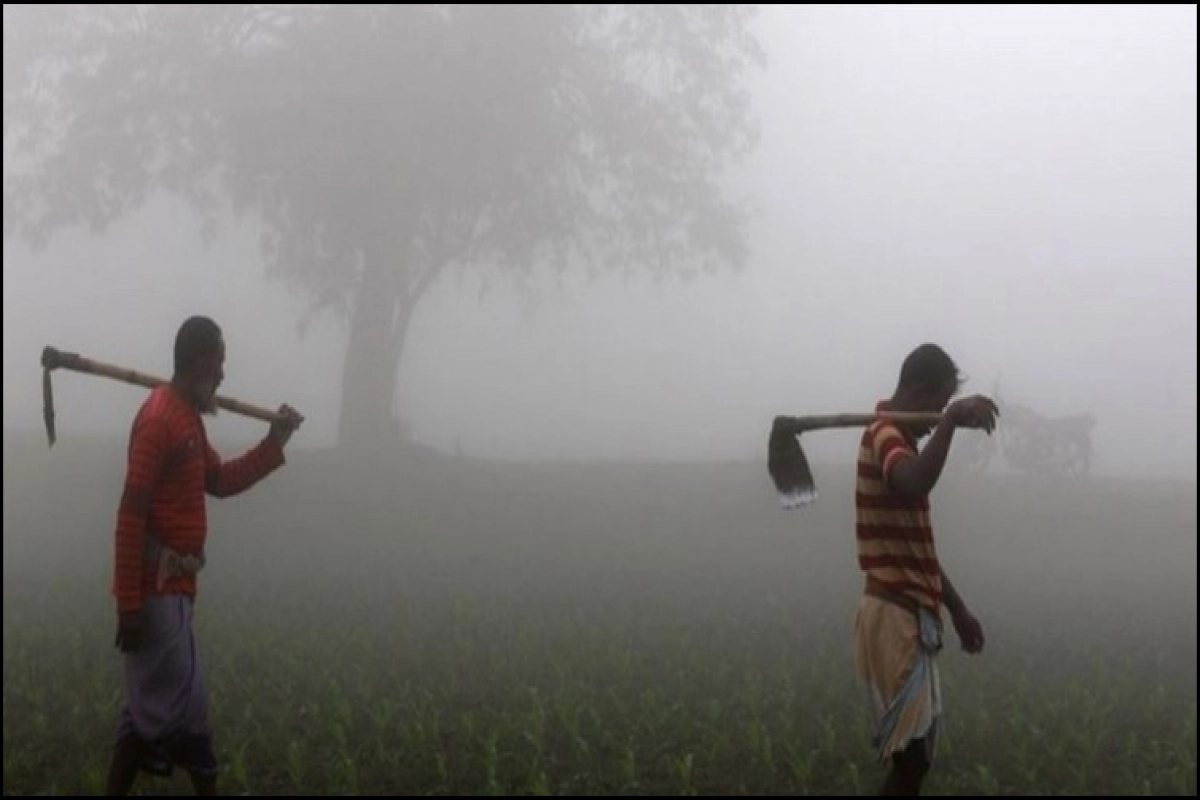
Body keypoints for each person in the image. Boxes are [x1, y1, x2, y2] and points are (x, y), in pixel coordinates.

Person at [104, 315, 303, 796]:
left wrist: (274, 443)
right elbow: (131, 518)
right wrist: (129, 608)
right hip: (156, 592)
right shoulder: (159, 421)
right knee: (186, 711)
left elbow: (219, 481)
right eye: (219, 363)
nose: (223, 376)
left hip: (175, 591)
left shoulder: (186, 417)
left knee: (145, 711)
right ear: (198, 362)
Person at [853, 343, 998, 796]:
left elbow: (921, 554)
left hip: (913, 614)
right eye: (935, 406)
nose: (936, 417)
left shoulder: (903, 440)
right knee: (911, 764)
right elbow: (912, 479)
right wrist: (952, 422)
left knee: (917, 764)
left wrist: (957, 610)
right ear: (916, 393)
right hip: (893, 619)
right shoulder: (886, 436)